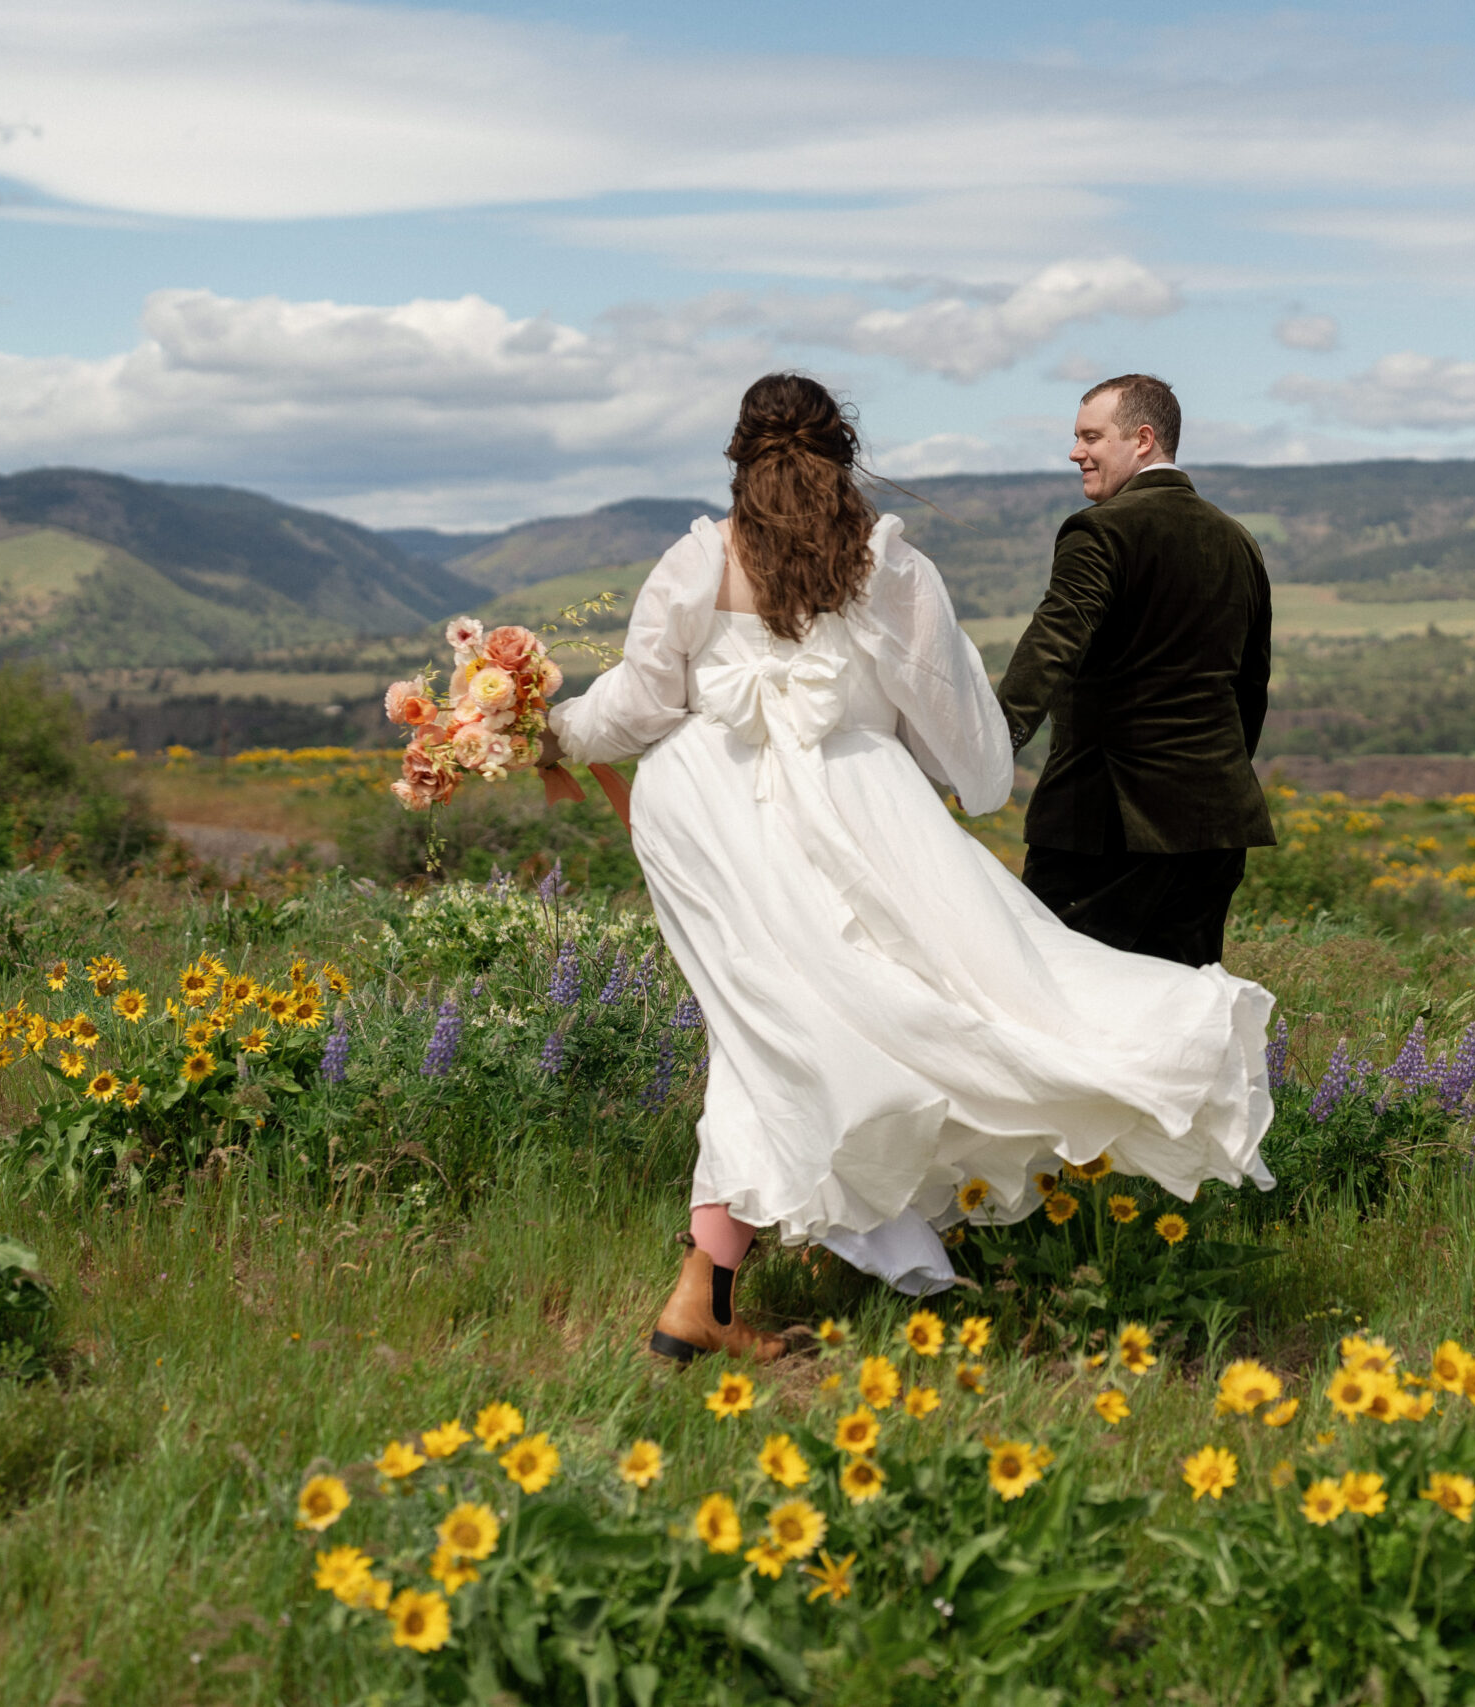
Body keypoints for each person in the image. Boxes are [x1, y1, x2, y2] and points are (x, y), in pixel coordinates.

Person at [541, 373, 1274, 1364]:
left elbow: (633, 706)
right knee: (915, 1014)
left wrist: (546, 733)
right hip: (849, 813)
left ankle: (706, 1297)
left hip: (700, 818)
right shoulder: (890, 571)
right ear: (844, 457)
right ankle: (754, 1278)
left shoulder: (692, 562)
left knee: (770, 1037)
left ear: (740, 460)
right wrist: (956, 773)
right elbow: (964, 744)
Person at [997, 375, 1276, 967]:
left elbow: (1054, 640)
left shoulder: (1099, 531)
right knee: (1186, 1007)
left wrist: (992, 742)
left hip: (1105, 823)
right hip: (1214, 821)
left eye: (1091, 437)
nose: (1076, 452)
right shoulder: (1238, 541)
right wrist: (1214, 773)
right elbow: (1250, 688)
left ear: (1143, 439)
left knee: (1061, 988)